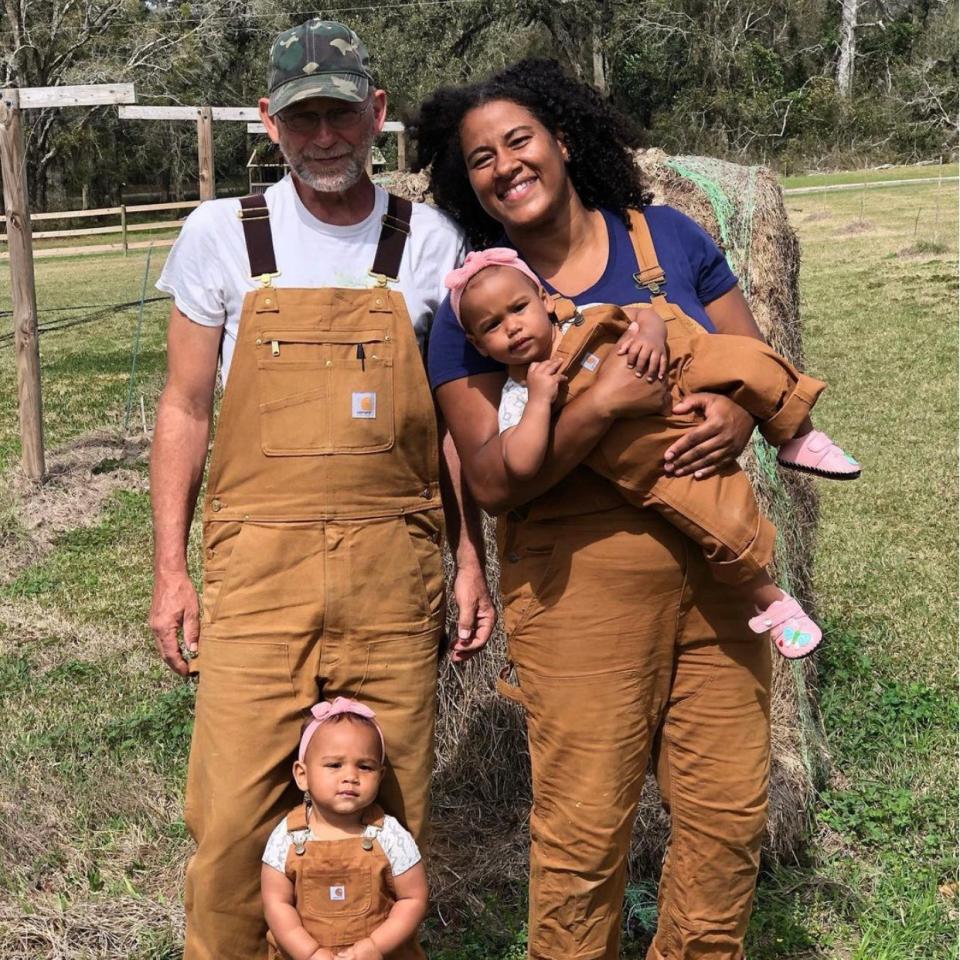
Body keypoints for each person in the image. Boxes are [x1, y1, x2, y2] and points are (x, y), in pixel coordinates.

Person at [411, 57, 815, 959]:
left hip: (720, 576)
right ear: (462, 179)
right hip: (578, 592)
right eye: (480, 158)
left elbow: (753, 366)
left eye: (520, 140)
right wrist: (597, 407)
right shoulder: (469, 310)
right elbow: (490, 479)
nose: (505, 165)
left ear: (562, 139)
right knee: (586, 831)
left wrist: (733, 409)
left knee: (725, 819)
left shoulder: (666, 238)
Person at [149, 19, 493, 959]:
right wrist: (172, 574)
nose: (325, 136)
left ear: (377, 115)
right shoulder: (220, 234)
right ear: (270, 122)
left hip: (395, 568)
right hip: (258, 572)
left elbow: (457, 422)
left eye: (342, 113)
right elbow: (184, 410)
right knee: (230, 820)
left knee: (390, 815)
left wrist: (470, 558)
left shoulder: (430, 239)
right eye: (304, 119)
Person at [444, 247, 861, 658]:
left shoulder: (584, 315)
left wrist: (651, 332)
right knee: (717, 518)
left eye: (518, 308)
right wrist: (539, 401)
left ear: (545, 299)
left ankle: (796, 435)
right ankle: (772, 601)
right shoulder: (520, 392)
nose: (513, 327)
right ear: (478, 344)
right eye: (493, 325)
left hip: (672, 369)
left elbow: (642, 312)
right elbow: (520, 462)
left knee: (744, 356)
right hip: (653, 452)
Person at [262, 698, 428, 960]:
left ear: (380, 775)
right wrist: (310, 952)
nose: (350, 776)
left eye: (365, 766)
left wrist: (375, 946)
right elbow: (276, 904)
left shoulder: (389, 835)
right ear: (302, 775)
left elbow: (413, 898)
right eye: (334, 765)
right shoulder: (288, 837)